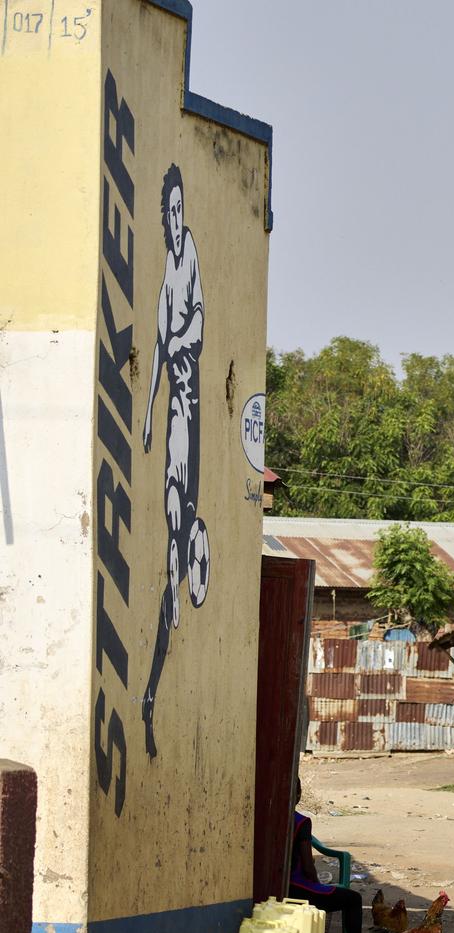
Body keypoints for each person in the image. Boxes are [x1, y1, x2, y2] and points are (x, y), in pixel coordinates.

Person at [142, 163, 208, 759]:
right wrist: (143, 410)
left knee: (180, 513)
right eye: (170, 209)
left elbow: (187, 335)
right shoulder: (166, 269)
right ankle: (153, 695)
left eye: (179, 205)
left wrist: (171, 347)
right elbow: (160, 350)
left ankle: (187, 566)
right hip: (171, 421)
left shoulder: (188, 256)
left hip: (190, 416)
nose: (176, 216)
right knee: (170, 516)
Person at [289, 784, 381, 933]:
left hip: (273, 890)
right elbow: (308, 865)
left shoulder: (266, 817)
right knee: (353, 899)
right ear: (298, 794)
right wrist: (316, 885)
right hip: (296, 887)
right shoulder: (300, 822)